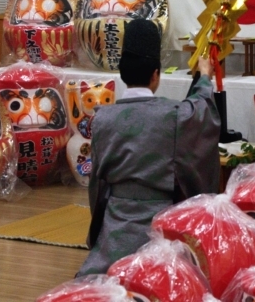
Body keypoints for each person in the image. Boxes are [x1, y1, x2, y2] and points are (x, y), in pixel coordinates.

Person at [77, 19, 221, 276]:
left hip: (116, 224)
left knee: (103, 276)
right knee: (164, 277)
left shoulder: (102, 118)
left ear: (123, 73)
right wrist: (205, 76)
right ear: (156, 74)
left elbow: (97, 184)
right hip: (161, 223)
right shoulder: (175, 115)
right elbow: (201, 108)